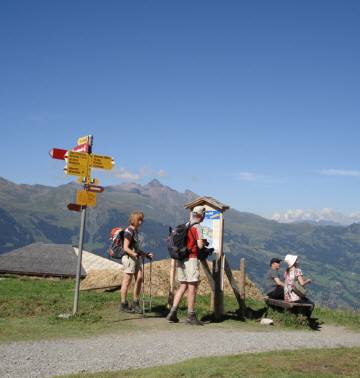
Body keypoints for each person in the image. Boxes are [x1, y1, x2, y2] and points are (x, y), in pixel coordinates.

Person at [166, 205, 206, 325]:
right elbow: (199, 245)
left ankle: (172, 313)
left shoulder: (186, 225)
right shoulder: (197, 226)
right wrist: (203, 243)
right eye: (203, 215)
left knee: (183, 286)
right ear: (201, 215)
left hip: (181, 259)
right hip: (191, 259)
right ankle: (191, 316)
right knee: (192, 287)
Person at [120, 210, 154, 313]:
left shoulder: (135, 231)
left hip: (135, 259)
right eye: (139, 220)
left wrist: (145, 254)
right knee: (127, 281)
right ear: (134, 219)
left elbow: (136, 248)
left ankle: (135, 302)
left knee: (139, 278)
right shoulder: (129, 232)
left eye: (142, 220)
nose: (141, 222)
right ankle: (123, 304)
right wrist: (134, 254)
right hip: (129, 259)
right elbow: (125, 248)